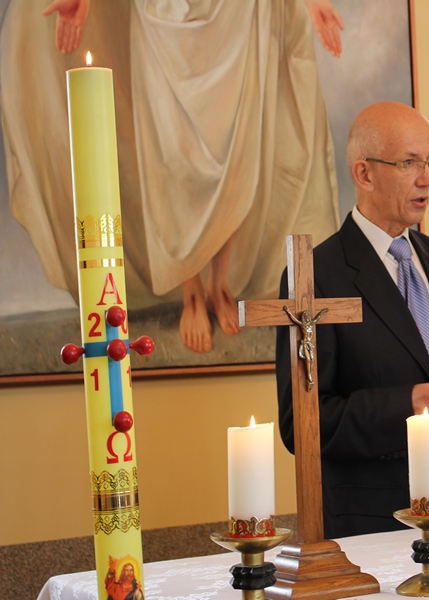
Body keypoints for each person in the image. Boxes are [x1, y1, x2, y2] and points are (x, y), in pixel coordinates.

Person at [12, 0, 343, 353]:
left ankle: (218, 282)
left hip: (236, 12)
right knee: (170, 149)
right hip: (161, 11)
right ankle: (191, 289)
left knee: (234, 145)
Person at [276, 101, 429, 538]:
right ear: (364, 174)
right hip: (371, 523)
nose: (427, 178)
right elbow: (303, 424)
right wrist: (404, 406)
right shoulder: (316, 274)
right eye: (410, 162)